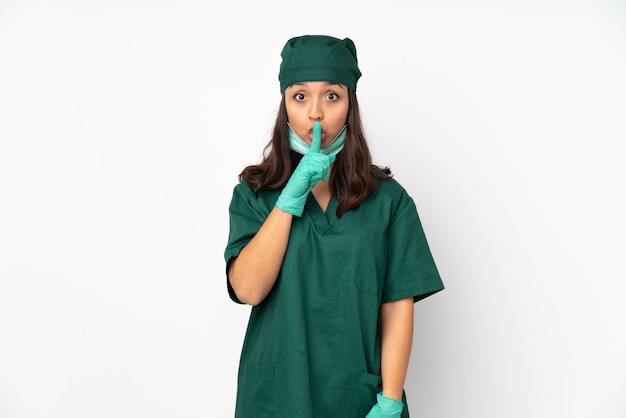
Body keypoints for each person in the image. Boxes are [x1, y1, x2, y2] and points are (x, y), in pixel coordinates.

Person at [224, 34, 444, 418]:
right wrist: (289, 201)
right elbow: (248, 289)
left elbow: (397, 307)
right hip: (277, 397)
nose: (315, 114)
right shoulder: (254, 195)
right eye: (300, 96)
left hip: (357, 398)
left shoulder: (388, 201)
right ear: (284, 106)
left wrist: (390, 400)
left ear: (350, 104)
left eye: (331, 96)